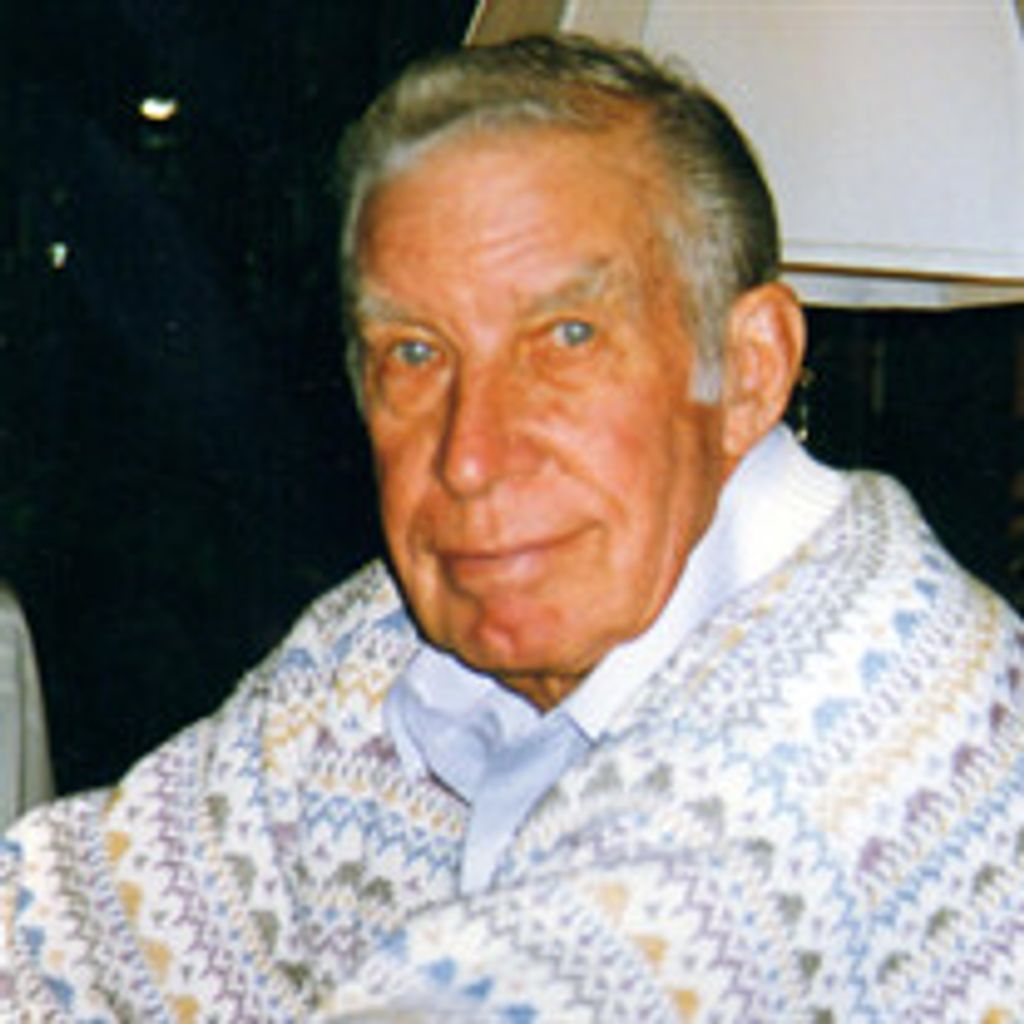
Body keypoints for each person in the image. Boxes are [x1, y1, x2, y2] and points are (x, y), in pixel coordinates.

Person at [3, 34, 1022, 1022]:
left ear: (748, 371)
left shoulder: (837, 747)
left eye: (566, 337)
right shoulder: (388, 649)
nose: (470, 456)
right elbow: (55, 943)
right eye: (414, 353)